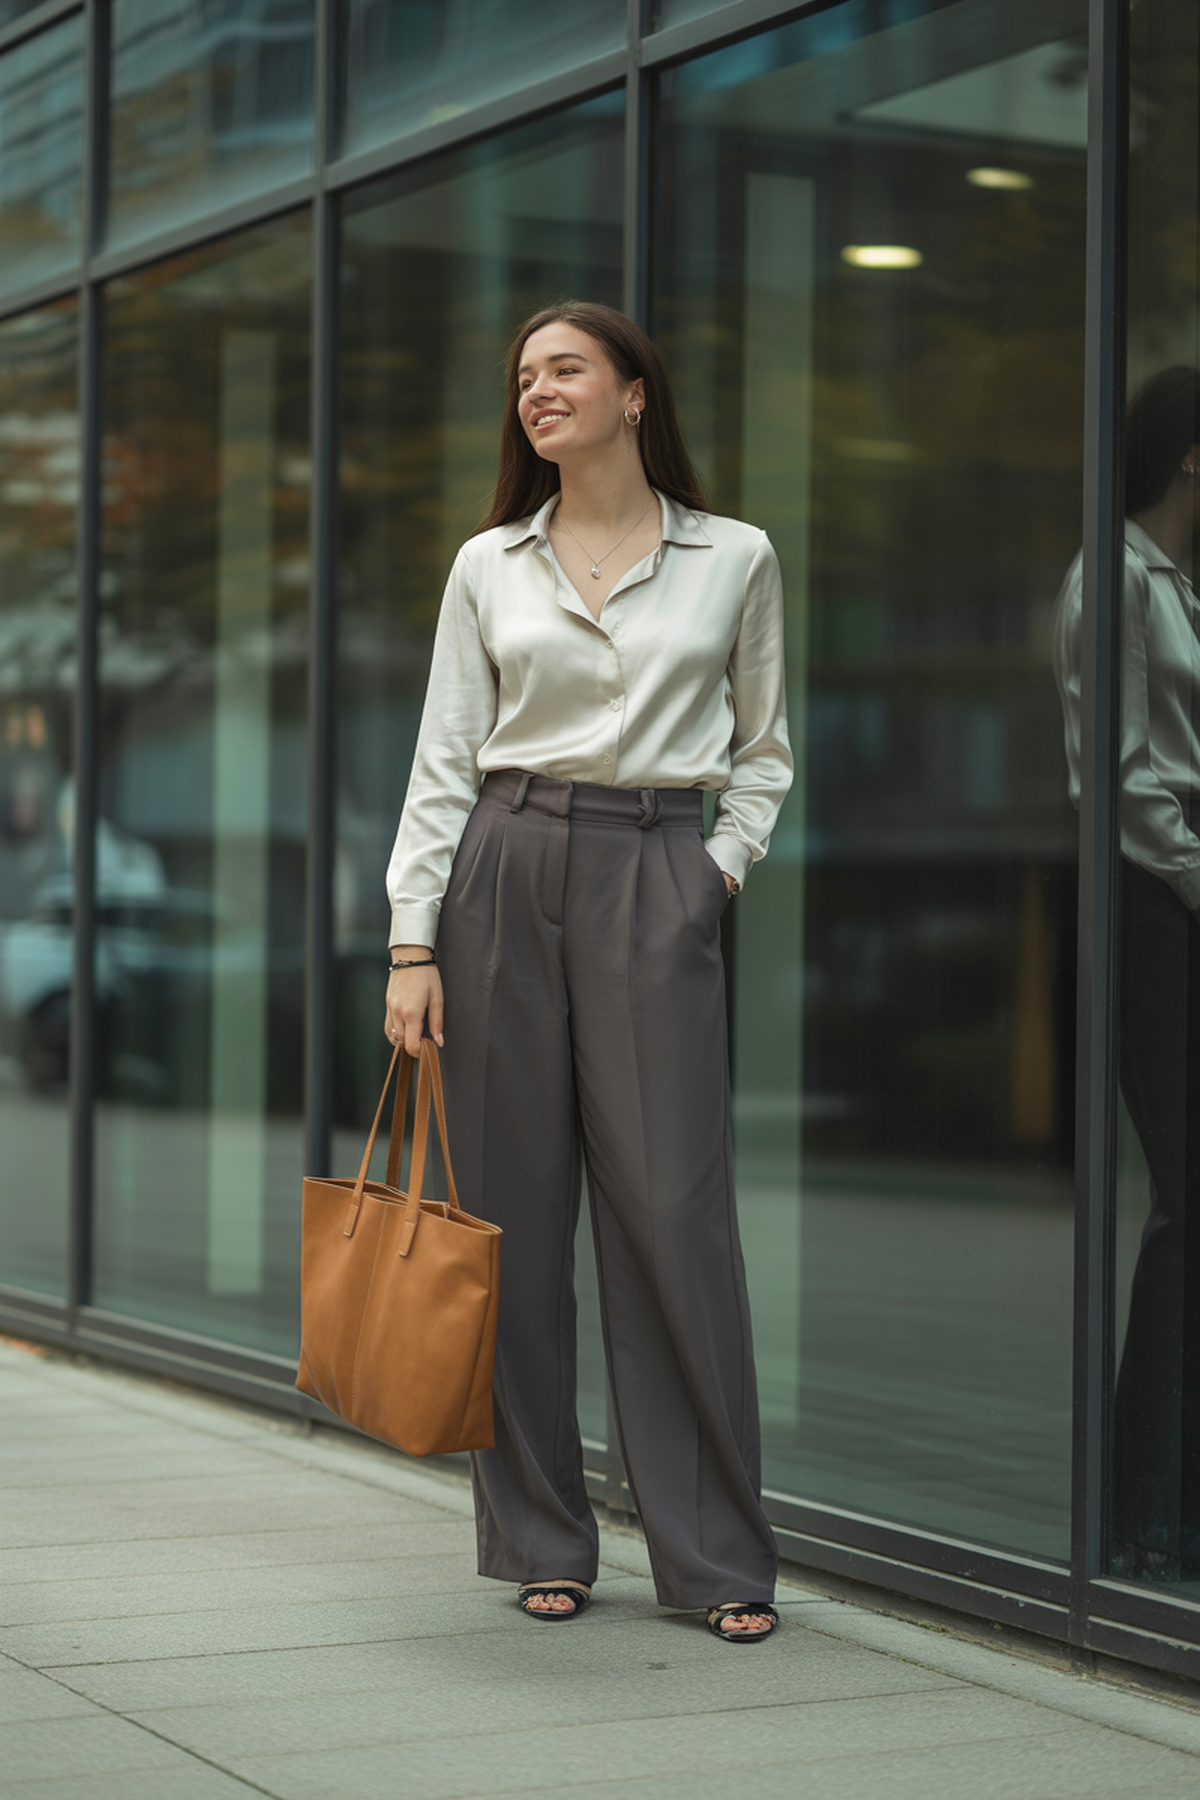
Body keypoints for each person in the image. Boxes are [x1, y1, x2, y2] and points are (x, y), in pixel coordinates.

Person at [383, 301, 792, 1639]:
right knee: (509, 1216)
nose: (538, 391)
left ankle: (716, 1555)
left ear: (631, 394)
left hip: (657, 872)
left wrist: (714, 872)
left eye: (565, 369)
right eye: (523, 377)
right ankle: (542, 1536)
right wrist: (412, 938)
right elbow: (445, 760)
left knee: (675, 1222)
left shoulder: (733, 555)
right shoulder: (487, 563)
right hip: (504, 867)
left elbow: (766, 749)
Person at [1054, 365, 1200, 1578]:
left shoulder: (1173, 586)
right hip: (1157, 912)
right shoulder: (1113, 581)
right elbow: (1129, 779)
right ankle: (1141, 1510)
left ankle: (1168, 1498)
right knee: (1185, 1201)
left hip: (1181, 902)